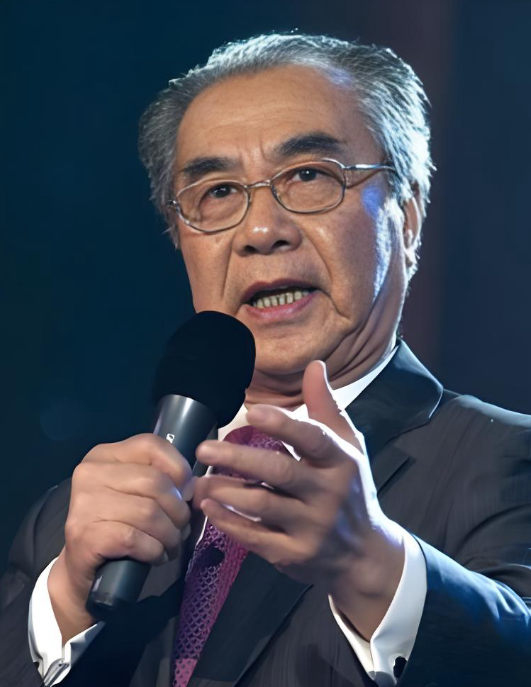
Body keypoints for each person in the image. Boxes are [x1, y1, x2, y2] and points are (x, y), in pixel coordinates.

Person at [1, 32, 530, 687]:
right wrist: (65, 602)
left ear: (409, 216)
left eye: (309, 176)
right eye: (219, 191)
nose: (260, 230)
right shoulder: (70, 521)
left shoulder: (505, 461)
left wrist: (372, 564)